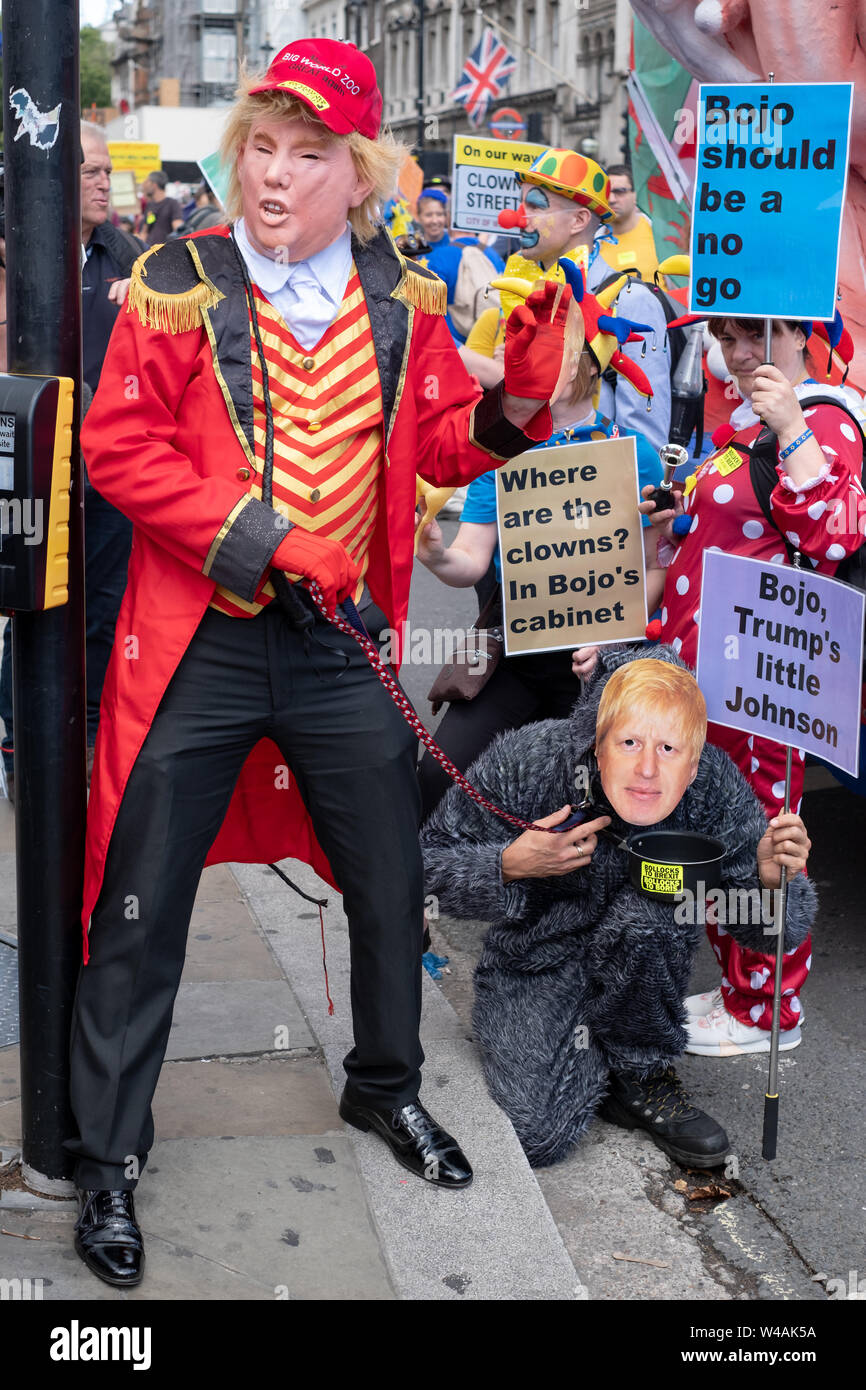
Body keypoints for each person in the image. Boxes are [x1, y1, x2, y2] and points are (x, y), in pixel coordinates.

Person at [66, 38, 575, 1289]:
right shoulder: (176, 280)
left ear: (358, 174)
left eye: (306, 155)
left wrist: (522, 382)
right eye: (261, 147)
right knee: (142, 897)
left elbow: (449, 445)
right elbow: (117, 451)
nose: (274, 177)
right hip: (202, 644)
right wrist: (273, 538)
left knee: (387, 874)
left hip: (341, 651)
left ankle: (383, 1088)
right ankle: (111, 1153)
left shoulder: (400, 299)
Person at [575, 315, 865, 1055]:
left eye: (757, 337)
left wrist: (793, 424)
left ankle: (768, 1010)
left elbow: (834, 533)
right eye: (729, 340)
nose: (739, 354)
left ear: (802, 337)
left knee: (761, 845)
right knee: (711, 840)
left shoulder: (823, 418)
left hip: (762, 687)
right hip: (701, 687)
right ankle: (740, 992)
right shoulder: (743, 427)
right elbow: (706, 546)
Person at [421, 647, 815, 1169]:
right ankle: (595, 1051)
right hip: (537, 963)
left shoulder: (715, 788)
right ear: (598, 744)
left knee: (659, 911)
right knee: (536, 1136)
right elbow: (425, 867)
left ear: (693, 765)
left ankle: (642, 1071)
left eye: (669, 749)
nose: (647, 769)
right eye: (629, 742)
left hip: (643, 953)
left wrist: (772, 884)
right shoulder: (533, 760)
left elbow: (770, 934)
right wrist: (507, 865)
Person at [416, 271, 662, 818]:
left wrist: (615, 640)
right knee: (436, 775)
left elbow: (652, 567)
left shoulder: (633, 453)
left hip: (599, 661)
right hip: (515, 654)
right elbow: (470, 560)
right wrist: (434, 554)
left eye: (561, 351)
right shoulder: (499, 443)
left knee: (606, 798)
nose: (542, 362)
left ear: (590, 364)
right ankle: (433, 885)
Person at [0, 123, 144, 798]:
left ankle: (88, 739)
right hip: (34, 466)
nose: (102, 181)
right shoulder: (14, 257)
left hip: (109, 472)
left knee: (106, 605)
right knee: (32, 604)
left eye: (107, 171)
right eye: (88, 170)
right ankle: (18, 743)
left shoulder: (128, 260)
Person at [464, 147, 672, 450]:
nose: (518, 218)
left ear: (578, 221)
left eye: (535, 207)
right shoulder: (519, 292)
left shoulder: (628, 299)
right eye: (520, 205)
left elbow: (644, 441)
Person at [414, 187, 501, 344]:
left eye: (439, 214)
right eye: (429, 214)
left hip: (453, 338)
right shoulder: (494, 256)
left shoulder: (445, 253)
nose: (435, 220)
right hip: (481, 340)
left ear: (447, 218)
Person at [597, 164, 664, 284]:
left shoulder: (659, 232)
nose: (612, 199)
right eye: (607, 192)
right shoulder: (592, 240)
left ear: (635, 194)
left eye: (620, 192)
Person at [140, 169, 184, 246]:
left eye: (147, 182)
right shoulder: (150, 205)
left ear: (154, 185)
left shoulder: (172, 204)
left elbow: (178, 230)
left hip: (164, 252)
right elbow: (144, 231)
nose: (144, 185)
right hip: (149, 251)